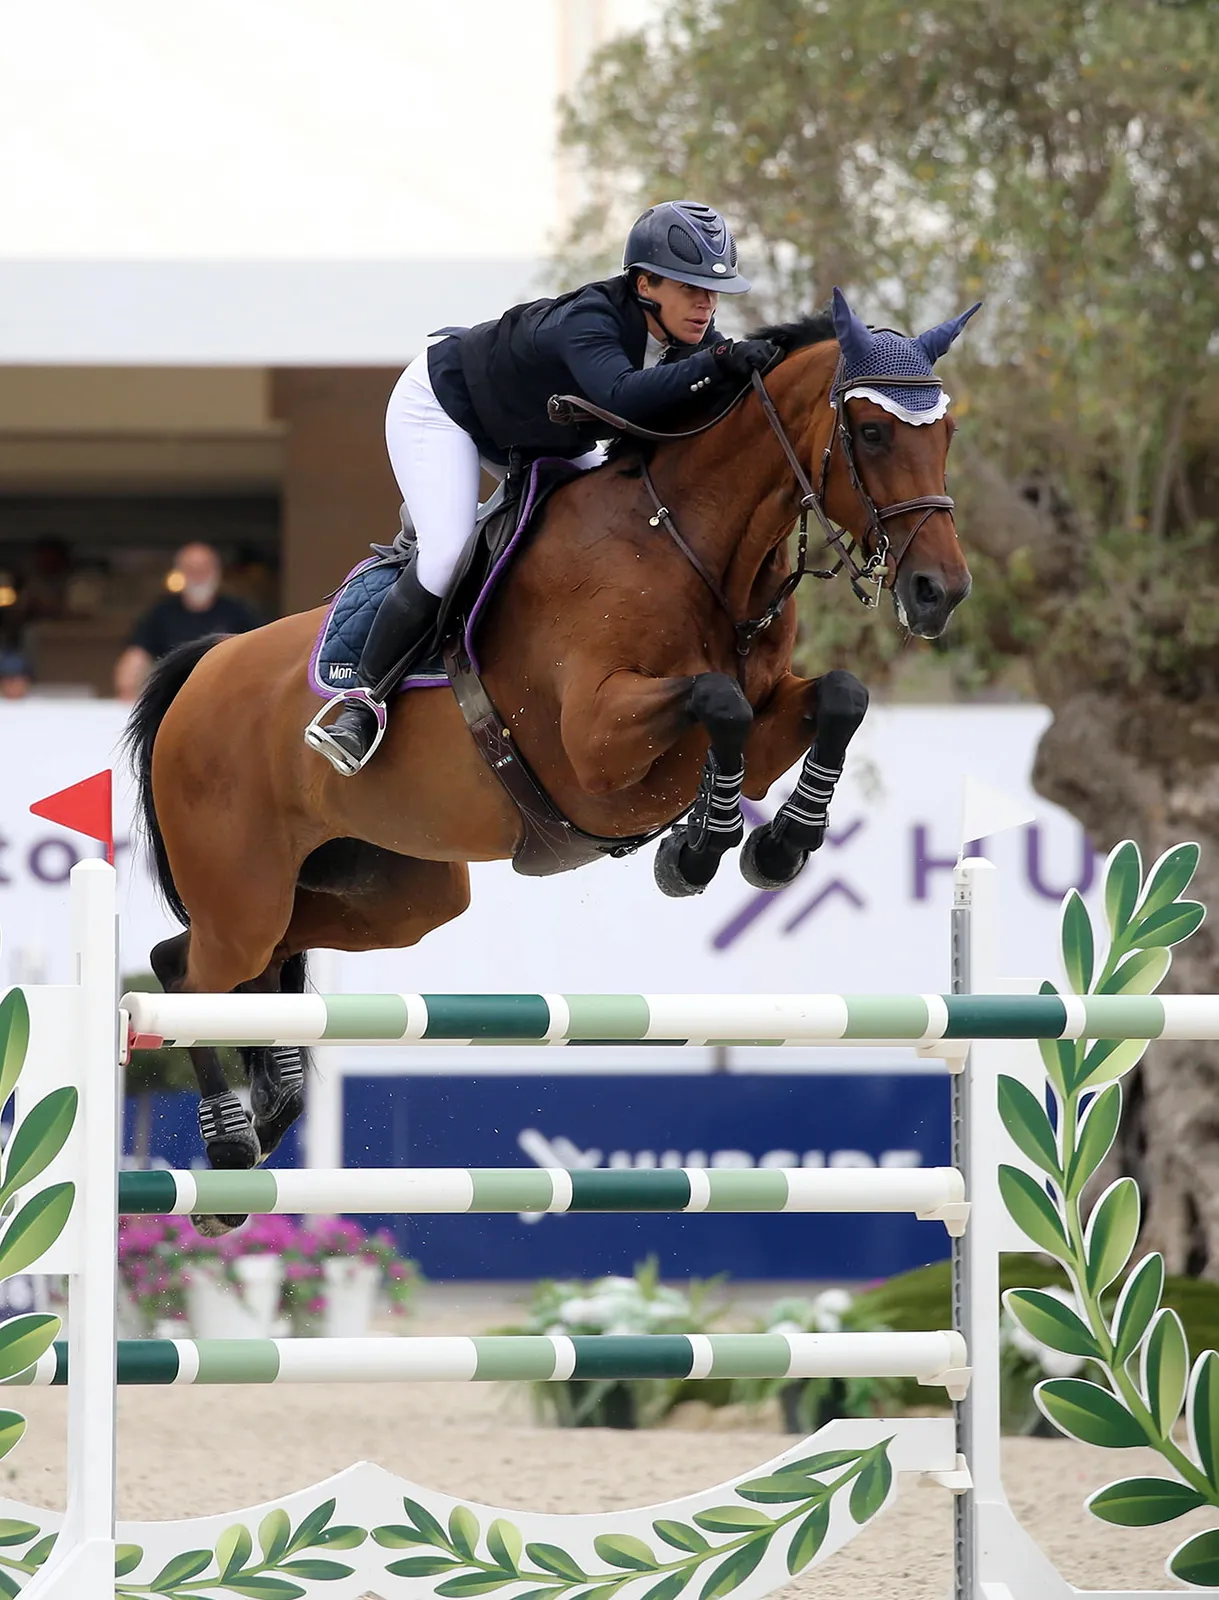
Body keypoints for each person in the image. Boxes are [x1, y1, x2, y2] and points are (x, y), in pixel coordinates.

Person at [305, 199, 779, 776]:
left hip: (542, 435)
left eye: (713, 293)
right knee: (448, 552)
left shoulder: (691, 340)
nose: (706, 305)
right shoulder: (590, 320)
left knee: (612, 532)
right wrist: (724, 359)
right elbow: (624, 396)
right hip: (446, 407)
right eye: (690, 289)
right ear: (645, 283)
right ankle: (362, 703)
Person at [114, 543, 261, 701]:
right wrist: (127, 690)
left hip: (226, 697)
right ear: (180, 572)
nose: (198, 574)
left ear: (216, 571)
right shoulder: (161, 613)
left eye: (204, 567)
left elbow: (259, 651)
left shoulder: (238, 611)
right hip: (172, 698)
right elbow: (136, 656)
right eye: (191, 568)